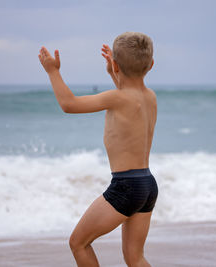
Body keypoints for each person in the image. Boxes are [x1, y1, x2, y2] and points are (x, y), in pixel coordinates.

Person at [38, 32, 158, 267]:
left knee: (78, 243)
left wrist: (53, 71)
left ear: (115, 64)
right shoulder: (149, 97)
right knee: (135, 258)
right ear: (151, 65)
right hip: (146, 184)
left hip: (126, 186)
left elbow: (69, 104)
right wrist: (115, 72)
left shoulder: (116, 97)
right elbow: (129, 95)